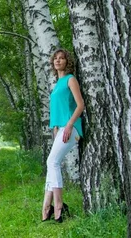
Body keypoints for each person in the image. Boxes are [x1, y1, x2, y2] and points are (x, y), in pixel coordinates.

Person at [41, 48, 85, 223]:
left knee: (52, 162)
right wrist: (56, 130)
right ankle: (46, 207)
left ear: (67, 62)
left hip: (72, 127)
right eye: (56, 59)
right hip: (60, 129)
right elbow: (57, 111)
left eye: (62, 58)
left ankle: (58, 206)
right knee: (51, 163)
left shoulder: (70, 79)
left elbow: (80, 105)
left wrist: (68, 125)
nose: (58, 61)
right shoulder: (57, 85)